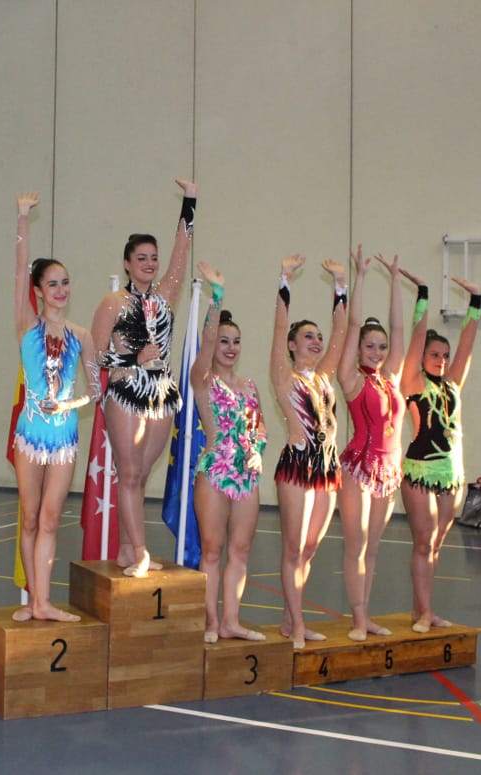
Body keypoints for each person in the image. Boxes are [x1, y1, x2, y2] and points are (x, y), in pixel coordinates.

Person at [91, 178, 197, 577]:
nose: (150, 264)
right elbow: (96, 355)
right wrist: (133, 356)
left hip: (162, 394)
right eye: (141, 258)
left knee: (140, 474)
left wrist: (190, 201)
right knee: (130, 473)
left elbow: (182, 252)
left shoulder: (166, 295)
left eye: (153, 258)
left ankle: (125, 549)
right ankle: (140, 551)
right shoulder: (113, 302)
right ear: (127, 263)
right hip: (126, 390)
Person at [12, 193, 98, 622]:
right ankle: (34, 602)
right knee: (29, 518)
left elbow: (95, 390)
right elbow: (19, 271)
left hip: (63, 437)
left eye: (65, 282)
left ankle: (44, 602)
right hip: (30, 435)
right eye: (52, 284)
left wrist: (69, 401)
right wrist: (23, 220)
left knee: (49, 519)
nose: (61, 290)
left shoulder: (82, 335)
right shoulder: (27, 326)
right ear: (38, 291)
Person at [335, 248, 424, 641]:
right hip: (358, 468)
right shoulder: (351, 378)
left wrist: (394, 280)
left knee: (372, 550)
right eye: (369, 346)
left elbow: (399, 330)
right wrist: (360, 276)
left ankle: (365, 615)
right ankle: (357, 619)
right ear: (358, 349)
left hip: (388, 473)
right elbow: (353, 324)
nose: (377, 352)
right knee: (355, 547)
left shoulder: (390, 377)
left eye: (381, 347)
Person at [270, 253, 348, 649]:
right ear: (292, 345)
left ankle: (290, 619)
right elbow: (279, 328)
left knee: (311, 548)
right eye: (307, 337)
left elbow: (341, 333)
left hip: (327, 468)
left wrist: (340, 286)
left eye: (317, 337)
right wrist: (284, 281)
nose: (316, 342)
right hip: (297, 466)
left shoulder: (324, 376)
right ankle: (298, 624)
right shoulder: (284, 376)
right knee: (294, 547)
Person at [191, 262, 267, 643]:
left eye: (236, 341)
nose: (230, 348)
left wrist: (259, 452)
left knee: (240, 550)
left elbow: (260, 428)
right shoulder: (203, 380)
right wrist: (216, 298)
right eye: (224, 341)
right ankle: (210, 621)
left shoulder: (250, 385)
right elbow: (205, 344)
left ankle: (231, 620)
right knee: (212, 549)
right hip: (214, 471)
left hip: (246, 476)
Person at [400, 277, 481, 633]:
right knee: (423, 542)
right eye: (434, 355)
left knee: (435, 546)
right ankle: (425, 613)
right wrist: (423, 296)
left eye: (445, 356)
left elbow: (467, 345)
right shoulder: (413, 382)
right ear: (422, 357)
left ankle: (421, 609)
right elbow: (417, 337)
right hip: (420, 470)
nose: (442, 361)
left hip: (451, 473)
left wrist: (476, 301)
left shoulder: (452, 383)